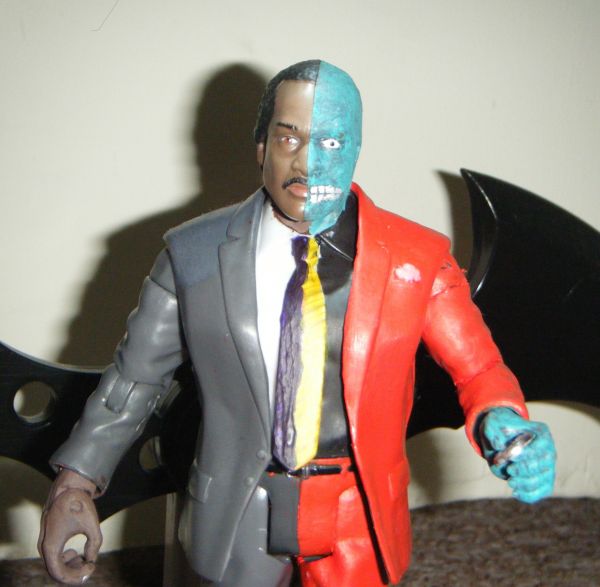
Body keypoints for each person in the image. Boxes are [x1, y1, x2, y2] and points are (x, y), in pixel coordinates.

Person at [38, 60, 556, 587]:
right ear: (261, 147)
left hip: (358, 513)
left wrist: (504, 420)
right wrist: (76, 482)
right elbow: (134, 379)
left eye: (331, 143)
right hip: (237, 510)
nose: (308, 164)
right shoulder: (193, 256)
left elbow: (478, 369)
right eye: (290, 139)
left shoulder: (417, 260)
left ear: (356, 148)